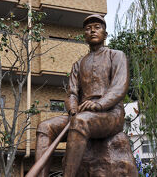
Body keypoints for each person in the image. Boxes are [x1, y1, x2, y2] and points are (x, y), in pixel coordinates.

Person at [35, 14, 129, 177]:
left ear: (105, 34)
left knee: (80, 122)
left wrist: (99, 104)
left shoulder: (116, 55)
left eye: (97, 27)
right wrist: (72, 109)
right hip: (81, 113)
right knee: (45, 127)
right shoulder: (78, 64)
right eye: (88, 28)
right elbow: (71, 93)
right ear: (84, 36)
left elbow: (120, 86)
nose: (92, 31)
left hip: (110, 114)